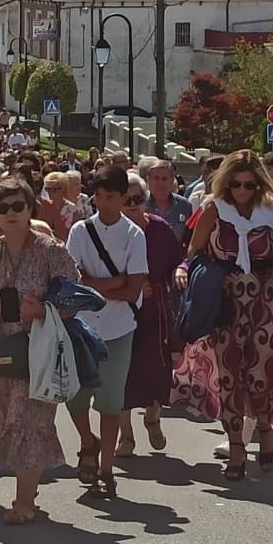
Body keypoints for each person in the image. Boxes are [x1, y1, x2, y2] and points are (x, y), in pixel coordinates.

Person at [0, 177, 80, 524]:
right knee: (2, 421)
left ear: (30, 209)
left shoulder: (51, 251)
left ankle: (23, 501)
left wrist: (42, 310)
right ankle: (29, 487)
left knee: (31, 421)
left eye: (18, 206)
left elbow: (77, 300)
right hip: (0, 351)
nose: (10, 213)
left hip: (40, 351)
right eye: (2, 207)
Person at [187, 150, 273, 479]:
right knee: (229, 373)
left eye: (250, 184)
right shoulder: (213, 209)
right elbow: (193, 251)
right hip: (227, 301)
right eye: (236, 184)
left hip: (265, 301)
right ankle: (236, 448)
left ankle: (265, 434)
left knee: (262, 371)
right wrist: (218, 273)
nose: (243, 191)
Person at [64, 165, 147, 497]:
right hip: (82, 327)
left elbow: (134, 289)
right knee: (74, 397)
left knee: (111, 402)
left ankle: (106, 466)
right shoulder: (81, 232)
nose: (103, 202)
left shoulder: (134, 235)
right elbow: (72, 284)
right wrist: (113, 283)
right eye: (98, 195)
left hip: (119, 328)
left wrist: (94, 287)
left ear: (124, 198)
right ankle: (87, 440)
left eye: (110, 196)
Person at [119, 172, 184, 457]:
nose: (133, 204)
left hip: (156, 308)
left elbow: (177, 259)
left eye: (138, 199)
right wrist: (130, 284)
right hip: (120, 308)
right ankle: (125, 434)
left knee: (157, 369)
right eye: (127, 199)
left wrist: (180, 271)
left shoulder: (158, 228)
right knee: (121, 372)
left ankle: (152, 417)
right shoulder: (112, 232)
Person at [142, 157, 194, 234]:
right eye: (156, 178)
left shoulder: (184, 206)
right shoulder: (140, 203)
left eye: (164, 179)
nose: (160, 183)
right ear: (148, 180)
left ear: (172, 181)